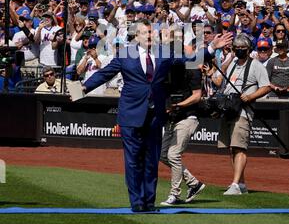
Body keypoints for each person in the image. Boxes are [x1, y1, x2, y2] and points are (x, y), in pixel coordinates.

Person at [82, 19, 232, 211]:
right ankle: (137, 203)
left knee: (152, 161)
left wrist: (211, 48)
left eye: (152, 32)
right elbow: (104, 74)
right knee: (133, 161)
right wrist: (82, 89)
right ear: (136, 36)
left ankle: (149, 203)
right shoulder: (125, 54)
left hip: (154, 115)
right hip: (131, 115)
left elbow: (190, 60)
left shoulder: (164, 53)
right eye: (146, 33)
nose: (152, 35)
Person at [218, 34, 270, 195]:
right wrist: (228, 60)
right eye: (236, 48)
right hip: (229, 109)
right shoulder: (232, 63)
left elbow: (266, 87)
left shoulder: (256, 66)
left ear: (249, 50)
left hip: (243, 111)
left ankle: (235, 184)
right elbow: (219, 81)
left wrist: (250, 96)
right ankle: (241, 183)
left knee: (239, 147)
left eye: (243, 48)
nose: (239, 50)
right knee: (232, 148)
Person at [160, 41, 205, 206]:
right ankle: (194, 183)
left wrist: (179, 105)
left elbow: (197, 96)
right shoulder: (166, 71)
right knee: (163, 155)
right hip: (172, 118)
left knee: (173, 155)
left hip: (188, 117)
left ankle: (175, 194)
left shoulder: (192, 69)